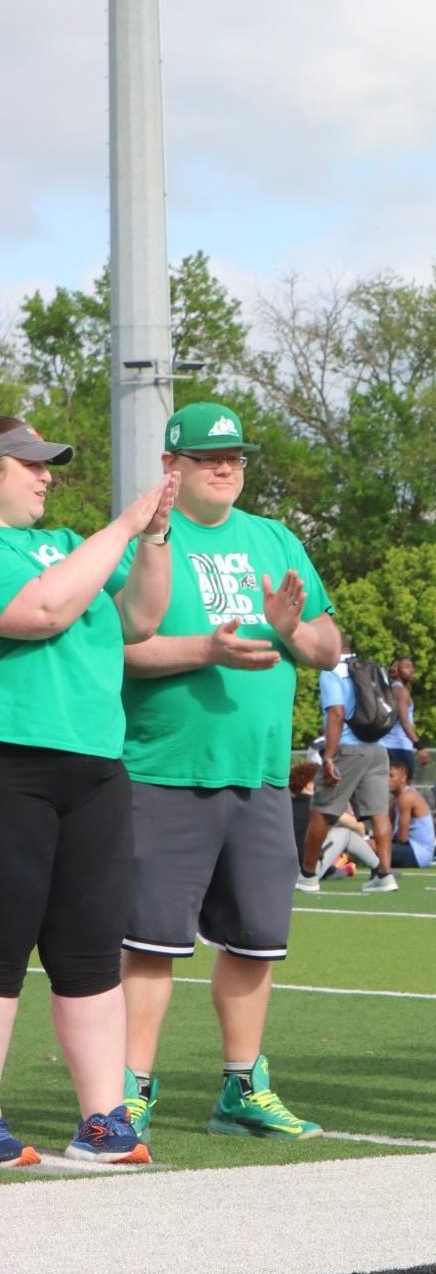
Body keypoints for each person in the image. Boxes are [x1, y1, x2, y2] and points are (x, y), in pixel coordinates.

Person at [116, 400, 341, 1144]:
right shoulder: (144, 534)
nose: (225, 467)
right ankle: (128, 1092)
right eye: (210, 457)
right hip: (163, 769)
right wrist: (204, 651)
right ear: (171, 465)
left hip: (260, 775)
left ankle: (243, 1087)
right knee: (150, 943)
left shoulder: (274, 538)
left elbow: (328, 646)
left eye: (236, 457)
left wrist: (290, 628)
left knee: (255, 940)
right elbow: (116, 649)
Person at [0, 419, 176, 1167]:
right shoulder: (53, 552)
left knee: (90, 953)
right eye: (29, 463)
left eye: (49, 466)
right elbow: (38, 614)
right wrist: (126, 524)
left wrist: (157, 538)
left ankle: (102, 1121)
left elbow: (140, 617)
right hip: (13, 762)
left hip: (96, 766)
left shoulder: (72, 542)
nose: (46, 476)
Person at [297, 633, 398, 894]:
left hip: (347, 749)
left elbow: (337, 713)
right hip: (377, 748)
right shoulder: (369, 668)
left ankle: (308, 876)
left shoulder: (332, 671)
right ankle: (385, 874)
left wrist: (328, 756)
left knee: (322, 810)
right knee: (379, 813)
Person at [389, 754, 436, 869]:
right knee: (370, 844)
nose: (386, 780)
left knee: (371, 846)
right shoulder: (396, 800)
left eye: (391, 776)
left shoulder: (407, 797)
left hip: (417, 853)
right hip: (411, 850)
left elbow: (402, 838)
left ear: (403, 777)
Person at [381, 654, 418, 774]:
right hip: (399, 748)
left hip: (385, 747)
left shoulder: (388, 690)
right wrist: (419, 745)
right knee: (404, 790)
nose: (411, 670)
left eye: (412, 667)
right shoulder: (401, 691)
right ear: (396, 670)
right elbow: (404, 720)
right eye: (407, 667)